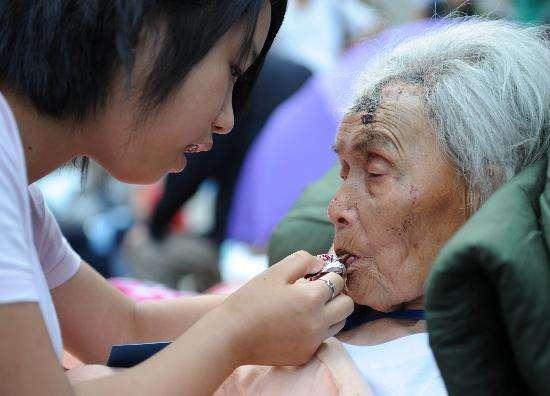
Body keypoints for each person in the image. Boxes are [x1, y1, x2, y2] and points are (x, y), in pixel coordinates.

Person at [0, 1, 354, 395]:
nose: (227, 119)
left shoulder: (19, 195)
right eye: (234, 68)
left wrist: (281, 305)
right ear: (144, 29)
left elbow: (125, 328)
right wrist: (236, 333)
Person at [215, 18, 550, 395]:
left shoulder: (461, 370)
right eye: (343, 172)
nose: (335, 208)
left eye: (375, 172)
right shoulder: (303, 312)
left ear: (482, 190)